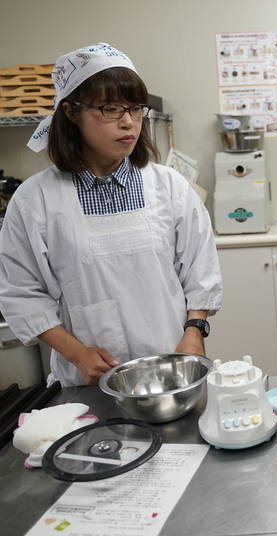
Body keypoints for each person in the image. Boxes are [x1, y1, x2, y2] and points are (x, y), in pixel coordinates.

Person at [0, 43, 222, 386]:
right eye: (110, 109)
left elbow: (199, 271)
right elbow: (21, 293)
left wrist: (195, 332)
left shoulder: (168, 187)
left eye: (135, 109)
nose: (128, 123)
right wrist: (76, 353)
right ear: (72, 112)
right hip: (87, 379)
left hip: (173, 369)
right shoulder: (35, 200)